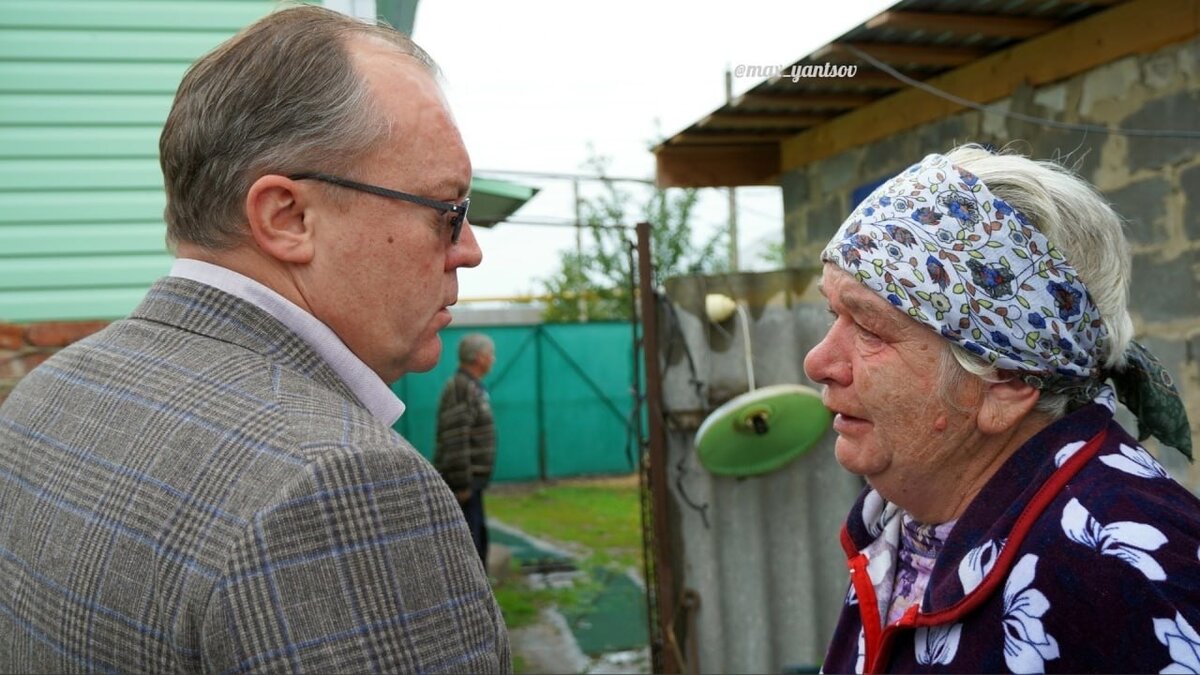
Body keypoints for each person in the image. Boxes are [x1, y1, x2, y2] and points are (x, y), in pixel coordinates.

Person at [0, 6, 511, 673]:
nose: (468, 251)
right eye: (449, 212)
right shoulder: (339, 486)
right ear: (287, 216)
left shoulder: (49, 392)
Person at [805, 145, 1200, 673]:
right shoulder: (904, 523)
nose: (819, 362)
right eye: (834, 313)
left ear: (1007, 382)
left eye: (871, 328)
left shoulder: (1118, 571)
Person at [435, 333, 498, 565]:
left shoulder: (471, 386)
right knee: (468, 550)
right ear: (479, 357)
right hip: (464, 485)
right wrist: (462, 483)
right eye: (490, 354)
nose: (493, 359)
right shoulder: (461, 388)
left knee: (479, 542)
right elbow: (455, 438)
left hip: (472, 484)